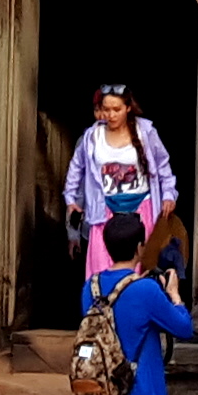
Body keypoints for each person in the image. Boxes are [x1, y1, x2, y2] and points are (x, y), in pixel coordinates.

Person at [77, 253, 193, 395]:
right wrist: (174, 295)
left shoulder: (91, 287)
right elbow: (184, 328)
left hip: (101, 394)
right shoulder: (146, 290)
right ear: (140, 248)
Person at [60, 84, 175, 277]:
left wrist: (169, 194)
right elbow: (76, 169)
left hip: (141, 208)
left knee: (138, 267)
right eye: (106, 110)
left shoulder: (145, 132)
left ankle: (134, 305)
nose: (111, 115)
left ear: (128, 108)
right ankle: (102, 305)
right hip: (104, 210)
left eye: (116, 110)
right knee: (101, 267)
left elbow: (163, 165)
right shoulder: (92, 136)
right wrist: (71, 201)